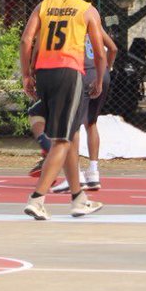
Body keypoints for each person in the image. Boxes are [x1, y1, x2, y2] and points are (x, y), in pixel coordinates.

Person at [19, 0, 106, 221]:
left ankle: (78, 198)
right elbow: (99, 52)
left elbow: (26, 40)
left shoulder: (44, 6)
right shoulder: (87, 10)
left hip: (44, 72)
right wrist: (99, 79)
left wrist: (27, 74)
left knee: (73, 133)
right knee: (63, 140)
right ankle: (37, 199)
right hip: (69, 72)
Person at [49, 28, 117, 193]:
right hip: (101, 74)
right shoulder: (95, 25)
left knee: (73, 126)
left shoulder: (72, 24)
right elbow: (113, 48)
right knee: (91, 123)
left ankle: (75, 175)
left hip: (82, 74)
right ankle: (93, 172)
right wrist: (107, 69)